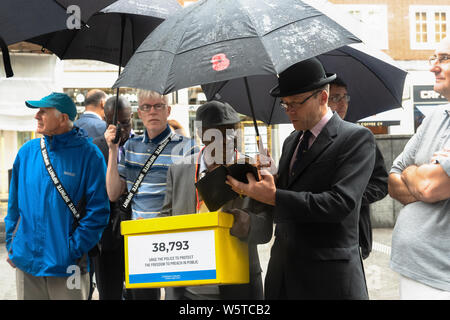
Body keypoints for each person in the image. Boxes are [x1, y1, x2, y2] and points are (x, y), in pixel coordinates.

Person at [226, 58, 376, 300]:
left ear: (323, 98)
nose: (290, 111)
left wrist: (275, 196)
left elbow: (339, 204)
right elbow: (285, 195)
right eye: (285, 104)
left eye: (296, 103)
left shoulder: (356, 138)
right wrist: (264, 181)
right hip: (283, 274)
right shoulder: (291, 140)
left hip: (328, 279)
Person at [161, 101, 273, 300]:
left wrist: (248, 224)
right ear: (202, 135)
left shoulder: (252, 171)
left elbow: (266, 231)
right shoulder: (178, 171)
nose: (227, 140)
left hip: (239, 286)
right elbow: (166, 221)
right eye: (218, 133)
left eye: (232, 132)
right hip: (187, 288)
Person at [4, 92, 110, 300]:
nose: (37, 116)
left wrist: (71, 249)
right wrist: (12, 243)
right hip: (27, 262)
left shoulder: (90, 156)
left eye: (43, 111)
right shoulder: (27, 152)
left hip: (67, 266)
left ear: (63, 118)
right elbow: (14, 205)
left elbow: (98, 212)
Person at [104, 89, 195, 300]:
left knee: (178, 297)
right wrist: (112, 149)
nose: (152, 111)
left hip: (176, 238)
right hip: (141, 238)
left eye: (158, 106)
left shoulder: (188, 148)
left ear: (168, 110)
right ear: (139, 113)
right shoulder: (130, 147)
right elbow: (113, 193)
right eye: (146, 107)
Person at [388, 36, 450, 300]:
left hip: (442, 277)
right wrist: (422, 174)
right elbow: (392, 179)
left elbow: (429, 185)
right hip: (414, 269)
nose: (433, 67)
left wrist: (413, 174)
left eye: (444, 58)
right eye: (433, 58)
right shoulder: (435, 116)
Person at [328, 77, 388, 259]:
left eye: (346, 97)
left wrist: (351, 198)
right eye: (336, 98)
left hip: (354, 236)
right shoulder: (299, 138)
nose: (343, 103)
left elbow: (381, 184)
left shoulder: (360, 137)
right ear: (322, 98)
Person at [91, 96, 133, 300]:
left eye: (126, 122)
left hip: (136, 228)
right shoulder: (95, 148)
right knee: (109, 293)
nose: (122, 128)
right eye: (116, 123)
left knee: (140, 293)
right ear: (106, 121)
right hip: (107, 236)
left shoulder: (141, 145)